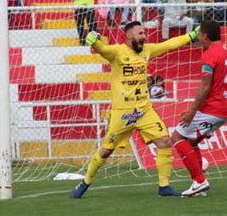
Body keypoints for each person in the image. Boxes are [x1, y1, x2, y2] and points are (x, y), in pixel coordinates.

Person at [71, 21, 201, 199]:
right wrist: (93, 40)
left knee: (164, 142)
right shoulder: (117, 52)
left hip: (144, 110)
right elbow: (103, 49)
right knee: (106, 150)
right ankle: (85, 182)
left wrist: (192, 36)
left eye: (144, 33)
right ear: (129, 35)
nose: (144, 37)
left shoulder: (147, 50)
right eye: (140, 33)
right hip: (122, 113)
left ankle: (164, 186)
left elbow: (169, 44)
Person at [171, 20, 227, 197]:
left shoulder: (210, 54)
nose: (197, 37)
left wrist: (192, 111)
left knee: (176, 137)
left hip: (211, 109)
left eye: (199, 33)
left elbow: (205, 85)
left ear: (205, 35)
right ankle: (198, 178)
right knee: (190, 142)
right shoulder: (225, 52)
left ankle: (200, 181)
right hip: (224, 109)